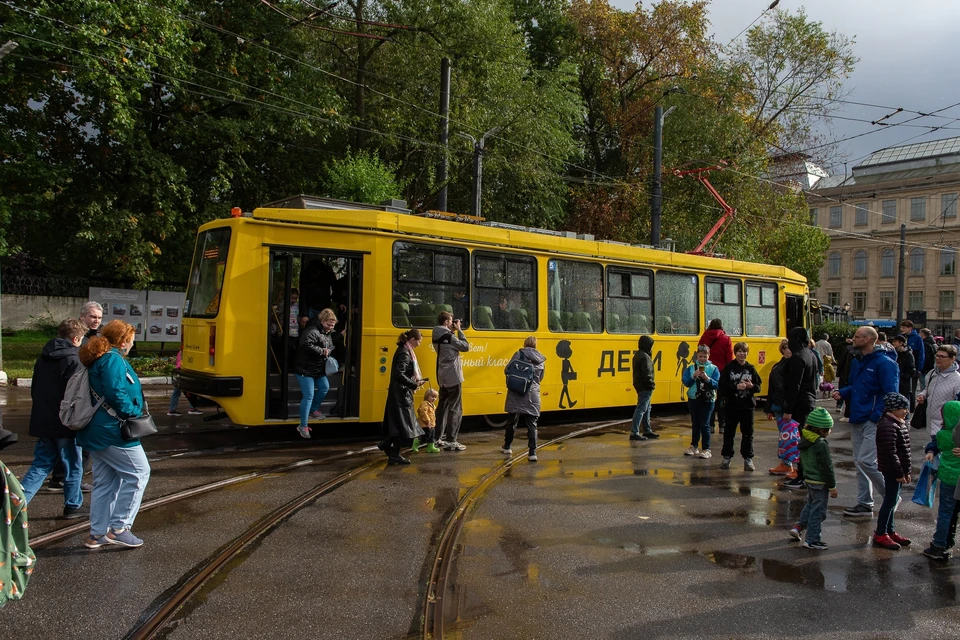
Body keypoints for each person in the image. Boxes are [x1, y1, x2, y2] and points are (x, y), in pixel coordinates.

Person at [78, 320, 151, 549]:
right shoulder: (112, 359)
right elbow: (114, 391)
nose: (132, 342)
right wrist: (132, 412)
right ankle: (119, 527)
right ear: (123, 340)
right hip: (112, 430)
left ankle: (97, 534)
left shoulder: (102, 357)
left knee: (105, 483)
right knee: (139, 473)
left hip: (99, 430)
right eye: (131, 338)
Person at [17, 318, 88, 518]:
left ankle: (15, 505)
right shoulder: (74, 360)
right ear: (75, 338)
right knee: (73, 463)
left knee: (40, 464)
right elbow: (76, 395)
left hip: (43, 420)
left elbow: (35, 389)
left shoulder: (42, 359)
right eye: (81, 339)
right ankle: (73, 504)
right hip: (65, 423)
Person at [831, 326, 899, 518]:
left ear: (869, 339)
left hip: (872, 418)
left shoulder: (885, 363)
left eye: (857, 336)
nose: (853, 339)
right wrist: (842, 393)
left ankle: (891, 495)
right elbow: (855, 385)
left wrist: (876, 415)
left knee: (866, 461)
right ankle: (864, 503)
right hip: (858, 415)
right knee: (859, 462)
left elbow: (891, 393)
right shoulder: (858, 359)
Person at [788, 407, 837, 550]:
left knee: (810, 505)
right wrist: (832, 486)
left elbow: (802, 463)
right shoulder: (820, 444)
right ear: (821, 430)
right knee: (818, 511)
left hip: (809, 480)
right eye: (828, 429)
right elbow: (827, 467)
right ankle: (812, 539)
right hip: (820, 482)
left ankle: (798, 527)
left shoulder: (805, 440)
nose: (830, 432)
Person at [379, 329, 427, 465]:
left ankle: (387, 446)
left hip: (399, 393)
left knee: (398, 423)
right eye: (419, 341)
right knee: (405, 425)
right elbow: (399, 374)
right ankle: (393, 453)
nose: (419, 344)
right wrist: (414, 384)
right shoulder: (405, 354)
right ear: (412, 340)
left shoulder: (403, 350)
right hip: (401, 395)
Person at [872, 392, 912, 550]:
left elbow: (902, 451)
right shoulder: (889, 425)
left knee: (892, 499)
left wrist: (906, 471)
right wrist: (900, 473)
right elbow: (891, 453)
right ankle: (881, 533)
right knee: (889, 501)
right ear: (893, 409)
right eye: (903, 408)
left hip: (897, 470)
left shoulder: (896, 423)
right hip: (893, 470)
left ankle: (890, 530)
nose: (906, 411)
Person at [782, 327, 819, 490]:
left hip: (799, 403)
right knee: (806, 439)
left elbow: (794, 386)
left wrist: (788, 409)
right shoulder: (810, 354)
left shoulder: (798, 357)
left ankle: (802, 476)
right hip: (809, 401)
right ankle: (804, 475)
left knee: (801, 442)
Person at [293, 308, 338, 439]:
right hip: (305, 369)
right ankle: (303, 426)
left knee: (324, 388)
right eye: (329, 325)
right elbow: (305, 344)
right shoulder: (312, 330)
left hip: (317, 369)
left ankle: (313, 410)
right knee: (308, 395)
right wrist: (321, 351)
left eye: (333, 325)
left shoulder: (326, 332)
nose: (330, 327)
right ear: (322, 321)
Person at [923, 401, 960, 560]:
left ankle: (940, 544)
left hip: (948, 479)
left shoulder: (942, 435)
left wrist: (931, 450)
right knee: (954, 512)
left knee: (946, 512)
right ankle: (947, 541)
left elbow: (935, 444)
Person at [502, 336, 546, 462]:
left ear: (525, 344)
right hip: (532, 394)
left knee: (512, 420)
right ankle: (532, 452)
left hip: (516, 391)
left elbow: (507, 370)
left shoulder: (518, 354)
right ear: (535, 345)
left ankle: (507, 446)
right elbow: (540, 378)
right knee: (532, 423)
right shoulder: (541, 359)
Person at [719, 342, 761, 471]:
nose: (742, 354)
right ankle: (727, 457)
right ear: (735, 353)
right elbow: (722, 387)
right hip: (732, 406)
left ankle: (748, 459)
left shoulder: (751, 369)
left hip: (747, 407)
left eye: (744, 351)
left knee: (748, 434)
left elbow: (758, 387)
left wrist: (751, 387)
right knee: (729, 433)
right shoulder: (729, 368)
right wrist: (735, 387)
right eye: (739, 351)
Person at [433, 312, 470, 451]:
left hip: (442, 374)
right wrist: (459, 330)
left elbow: (446, 340)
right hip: (453, 376)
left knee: (442, 407)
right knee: (456, 408)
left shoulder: (436, 334)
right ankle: (451, 440)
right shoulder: (449, 336)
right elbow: (465, 347)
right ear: (446, 322)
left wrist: (451, 331)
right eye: (450, 320)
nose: (452, 322)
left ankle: (437, 437)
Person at [681, 345, 719, 459]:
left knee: (705, 424)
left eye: (705, 356)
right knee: (695, 423)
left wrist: (707, 378)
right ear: (697, 356)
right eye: (700, 356)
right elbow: (686, 382)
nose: (702, 359)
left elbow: (717, 384)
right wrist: (693, 376)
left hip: (708, 399)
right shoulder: (691, 367)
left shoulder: (713, 368)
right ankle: (694, 446)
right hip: (693, 398)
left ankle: (706, 449)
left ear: (709, 356)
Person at [765, 339, 796, 477]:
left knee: (792, 436)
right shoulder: (778, 365)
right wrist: (769, 408)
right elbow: (772, 388)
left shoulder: (795, 364)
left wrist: (788, 407)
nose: (788, 350)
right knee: (785, 436)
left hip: (788, 406)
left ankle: (792, 465)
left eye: (790, 347)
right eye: (786, 347)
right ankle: (786, 463)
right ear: (782, 349)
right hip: (778, 405)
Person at [916, 344, 960, 438]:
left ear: (952, 359)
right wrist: (922, 395)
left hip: (946, 427)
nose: (938, 358)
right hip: (930, 423)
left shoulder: (957, 379)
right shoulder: (932, 373)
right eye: (937, 355)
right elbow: (927, 389)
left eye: (942, 356)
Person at [698, 319, 732, 433]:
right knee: (722, 398)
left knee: (709, 397)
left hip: (707, 371)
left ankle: (710, 424)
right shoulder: (726, 339)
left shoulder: (705, 337)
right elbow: (729, 359)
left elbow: (699, 351)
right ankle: (722, 425)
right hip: (721, 372)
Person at [630, 335, 658, 441]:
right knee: (642, 408)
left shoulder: (638, 355)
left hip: (640, 385)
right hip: (645, 386)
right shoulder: (645, 357)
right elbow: (647, 373)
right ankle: (635, 431)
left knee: (646, 408)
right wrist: (651, 384)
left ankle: (647, 429)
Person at [167, 347, 202, 417]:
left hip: (179, 371)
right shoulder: (189, 352)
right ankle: (192, 408)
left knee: (177, 391)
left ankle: (172, 409)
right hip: (184, 371)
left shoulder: (181, 351)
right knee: (191, 390)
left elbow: (177, 361)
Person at [890, 335, 917, 411]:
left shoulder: (908, 354)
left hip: (905, 383)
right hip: (897, 381)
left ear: (901, 343)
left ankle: (907, 420)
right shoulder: (895, 353)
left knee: (905, 403)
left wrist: (903, 375)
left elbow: (911, 369)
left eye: (895, 341)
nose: (893, 343)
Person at [414, 388, 441, 453]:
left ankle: (430, 447)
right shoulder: (425, 404)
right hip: (425, 424)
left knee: (432, 436)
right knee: (426, 436)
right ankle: (416, 443)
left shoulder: (432, 405)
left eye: (435, 397)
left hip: (431, 424)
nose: (434, 399)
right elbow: (423, 412)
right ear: (427, 396)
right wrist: (427, 421)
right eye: (432, 397)